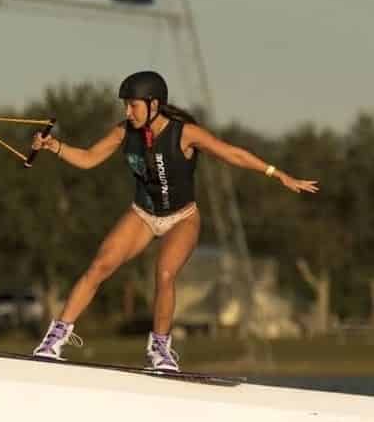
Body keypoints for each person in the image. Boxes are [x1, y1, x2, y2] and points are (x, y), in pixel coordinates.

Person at [31, 71, 319, 371]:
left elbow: (232, 154)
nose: (128, 113)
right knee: (100, 266)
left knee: (165, 274)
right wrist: (56, 147)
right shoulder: (123, 131)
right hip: (143, 213)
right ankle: (55, 339)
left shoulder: (185, 133)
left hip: (181, 217)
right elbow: (89, 158)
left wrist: (278, 173)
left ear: (154, 104)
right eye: (125, 106)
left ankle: (159, 350)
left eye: (133, 106)